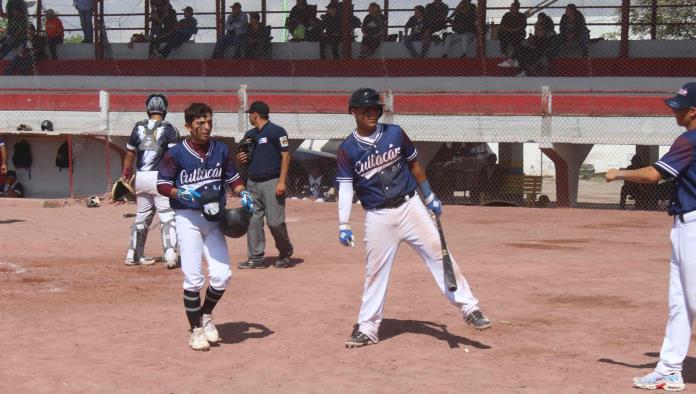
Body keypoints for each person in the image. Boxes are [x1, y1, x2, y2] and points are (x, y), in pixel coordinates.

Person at [337, 88, 491, 348]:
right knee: (374, 273)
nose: (372, 113)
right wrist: (343, 223)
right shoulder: (347, 149)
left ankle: (470, 308)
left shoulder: (394, 133)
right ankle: (367, 328)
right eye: (366, 109)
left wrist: (430, 197)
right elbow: (345, 186)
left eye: (375, 108)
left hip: (411, 207)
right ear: (353, 112)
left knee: (440, 255)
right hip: (377, 215)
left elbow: (414, 165)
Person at [606, 82, 696, 392]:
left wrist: (618, 173)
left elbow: (653, 175)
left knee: (693, 300)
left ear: (694, 112)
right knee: (680, 303)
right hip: (685, 224)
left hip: (694, 227)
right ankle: (669, 369)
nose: (674, 111)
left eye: (679, 107)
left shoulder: (690, 140)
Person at [157, 102, 254, 351]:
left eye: (209, 122)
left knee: (222, 275)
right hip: (187, 218)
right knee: (193, 277)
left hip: (214, 219)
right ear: (188, 126)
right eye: (200, 123)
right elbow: (162, 183)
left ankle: (206, 315)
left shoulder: (220, 149)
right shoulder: (176, 153)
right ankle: (196, 330)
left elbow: (231, 177)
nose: (206, 127)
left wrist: (242, 192)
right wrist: (179, 192)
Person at [122, 94, 180, 268]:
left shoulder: (137, 127)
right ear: (165, 110)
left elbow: (130, 154)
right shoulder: (170, 129)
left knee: (141, 217)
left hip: (141, 177)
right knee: (167, 216)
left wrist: (126, 175)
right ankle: (170, 255)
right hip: (160, 178)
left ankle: (132, 255)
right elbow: (173, 157)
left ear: (147, 109)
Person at [236, 101, 294, 269]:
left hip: (272, 181)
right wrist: (242, 158)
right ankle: (256, 258)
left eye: (250, 114)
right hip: (252, 182)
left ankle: (285, 251)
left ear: (256, 114)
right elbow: (245, 156)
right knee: (253, 221)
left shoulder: (277, 131)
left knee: (275, 222)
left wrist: (282, 181)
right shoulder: (250, 134)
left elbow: (286, 156)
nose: (249, 117)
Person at [496, 1, 527, 68]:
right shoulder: (507, 15)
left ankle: (513, 58)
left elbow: (522, 26)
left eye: (513, 8)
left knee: (516, 39)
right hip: (507, 32)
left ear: (517, 9)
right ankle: (504, 53)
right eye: (511, 8)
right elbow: (502, 25)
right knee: (502, 35)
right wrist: (508, 30)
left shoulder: (522, 16)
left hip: (518, 33)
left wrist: (513, 30)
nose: (511, 9)